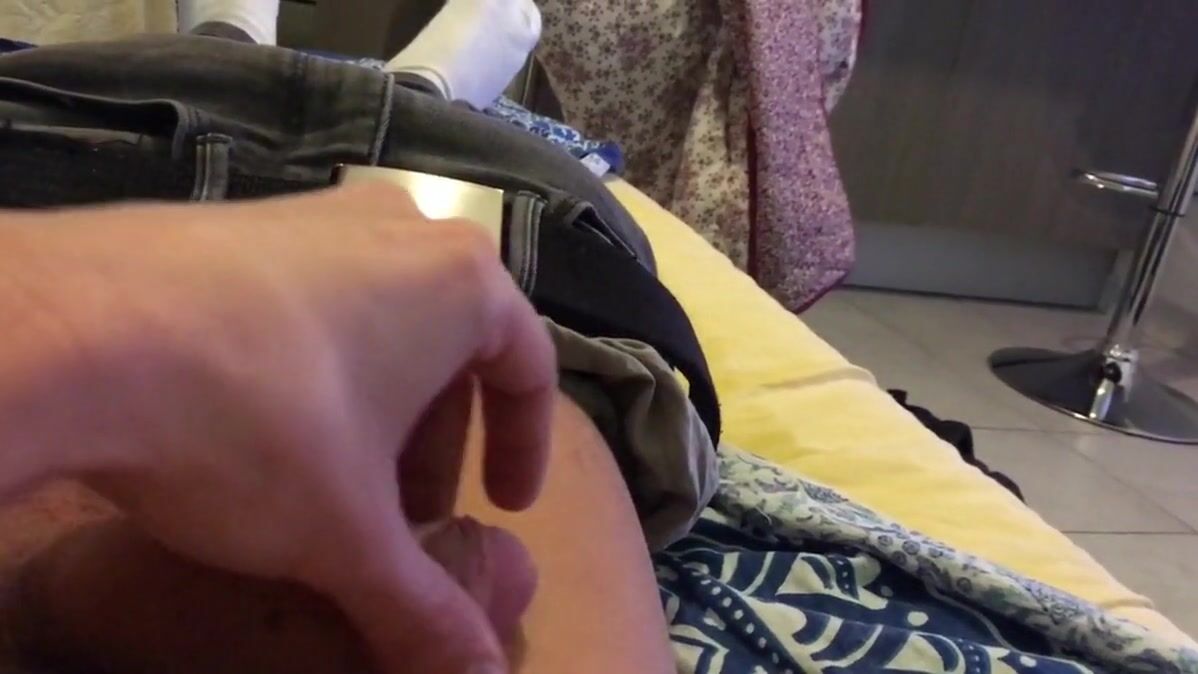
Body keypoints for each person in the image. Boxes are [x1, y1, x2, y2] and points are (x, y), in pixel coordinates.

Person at [0, 182, 675, 673]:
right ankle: (426, 85)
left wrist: (78, 309)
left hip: (67, 130)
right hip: (489, 209)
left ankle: (407, 75)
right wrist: (79, 315)